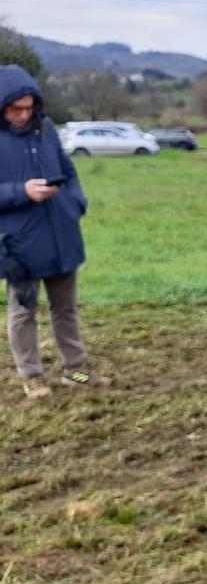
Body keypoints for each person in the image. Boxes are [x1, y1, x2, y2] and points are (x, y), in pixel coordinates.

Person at [0, 64, 101, 399]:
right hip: (18, 244)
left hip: (61, 236)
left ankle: (77, 372)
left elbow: (68, 171)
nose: (23, 114)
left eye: (28, 108)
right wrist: (21, 192)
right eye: (15, 109)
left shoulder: (46, 129)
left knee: (66, 310)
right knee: (23, 313)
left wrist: (75, 204)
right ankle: (32, 378)